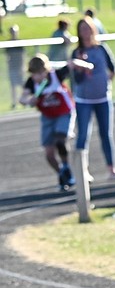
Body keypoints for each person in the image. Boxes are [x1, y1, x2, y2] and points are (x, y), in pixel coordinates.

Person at [70, 16, 115, 180]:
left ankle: (112, 169)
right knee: (83, 135)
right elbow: (76, 80)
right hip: (84, 100)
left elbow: (113, 69)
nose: (86, 32)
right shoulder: (77, 53)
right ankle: (81, 172)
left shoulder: (102, 49)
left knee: (106, 134)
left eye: (88, 28)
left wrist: (105, 82)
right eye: (82, 29)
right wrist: (81, 68)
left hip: (103, 99)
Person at [20, 53, 76, 191]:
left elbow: (72, 64)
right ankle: (62, 175)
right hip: (47, 117)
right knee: (49, 154)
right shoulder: (32, 83)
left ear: (46, 70)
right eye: (34, 74)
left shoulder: (56, 75)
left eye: (39, 73)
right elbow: (23, 98)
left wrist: (85, 65)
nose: (37, 77)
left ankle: (66, 166)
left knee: (60, 140)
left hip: (63, 113)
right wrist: (29, 101)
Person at [6, 26, 24, 109]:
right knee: (13, 86)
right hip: (12, 68)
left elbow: (22, 56)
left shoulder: (20, 43)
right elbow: (7, 57)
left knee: (22, 85)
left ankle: (24, 100)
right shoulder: (8, 43)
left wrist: (22, 67)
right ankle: (14, 102)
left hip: (19, 67)